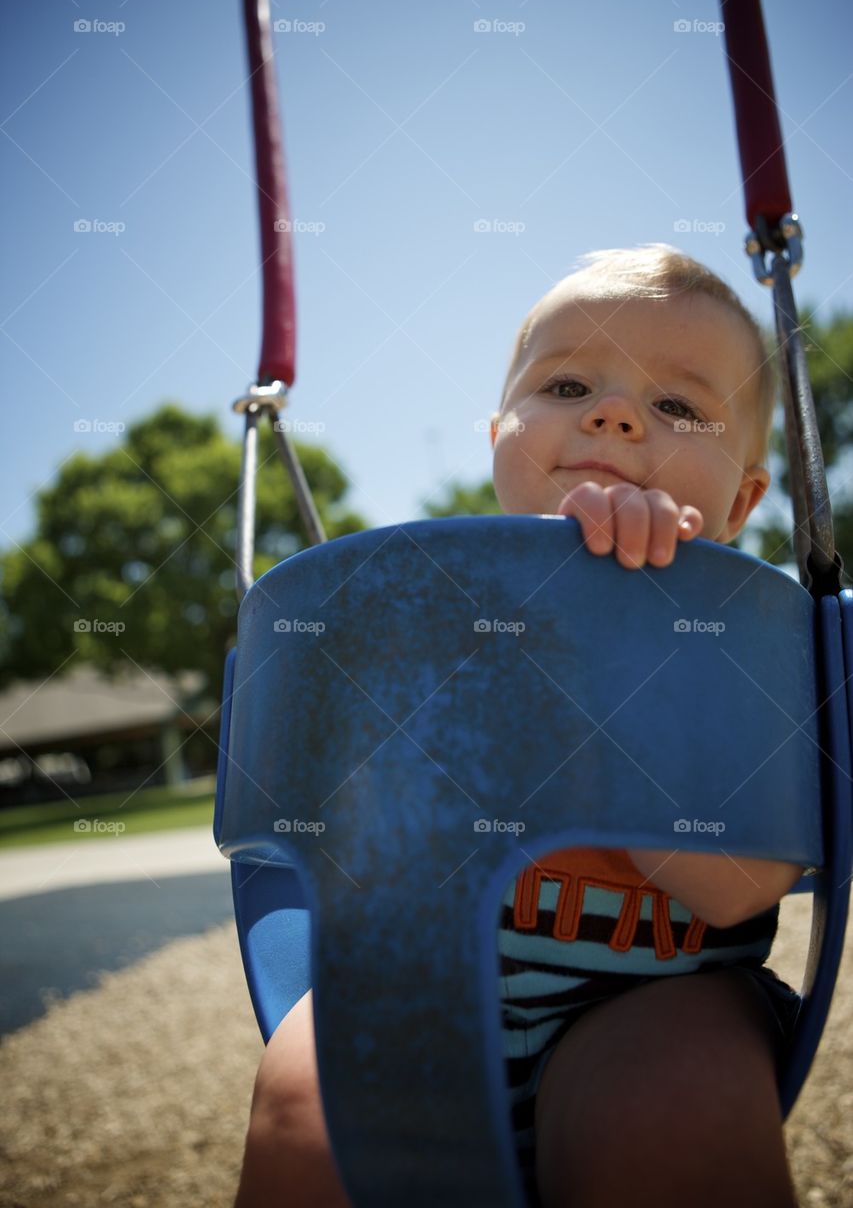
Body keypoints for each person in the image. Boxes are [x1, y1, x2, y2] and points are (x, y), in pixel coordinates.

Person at [232, 245, 806, 1208]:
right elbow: (333, 827)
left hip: (659, 996)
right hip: (416, 983)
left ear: (744, 498)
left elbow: (734, 889)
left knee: (676, 1113)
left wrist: (606, 646)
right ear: (500, 434)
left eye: (675, 407)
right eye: (570, 382)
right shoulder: (413, 611)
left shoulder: (743, 636)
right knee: (306, 1108)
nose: (613, 415)